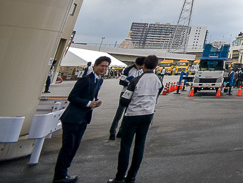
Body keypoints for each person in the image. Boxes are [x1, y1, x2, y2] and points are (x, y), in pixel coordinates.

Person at [53, 55, 110, 183]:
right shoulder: (85, 80)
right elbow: (72, 97)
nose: (103, 69)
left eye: (106, 67)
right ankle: (59, 176)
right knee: (68, 147)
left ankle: (64, 172)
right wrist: (87, 103)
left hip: (84, 118)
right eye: (101, 66)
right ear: (95, 66)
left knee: (74, 147)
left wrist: (94, 102)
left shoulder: (99, 80)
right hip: (73, 117)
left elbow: (91, 96)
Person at [108, 55, 163, 183]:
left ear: (144, 65)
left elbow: (124, 100)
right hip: (148, 114)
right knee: (140, 145)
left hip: (133, 115)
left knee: (126, 146)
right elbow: (157, 95)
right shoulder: (158, 80)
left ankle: (120, 177)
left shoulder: (136, 80)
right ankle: (132, 176)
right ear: (156, 66)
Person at [110, 57, 145, 140]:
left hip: (135, 93)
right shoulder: (128, 69)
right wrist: (131, 82)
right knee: (119, 112)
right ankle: (112, 131)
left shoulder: (142, 71)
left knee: (127, 113)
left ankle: (121, 131)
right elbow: (121, 81)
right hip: (126, 92)